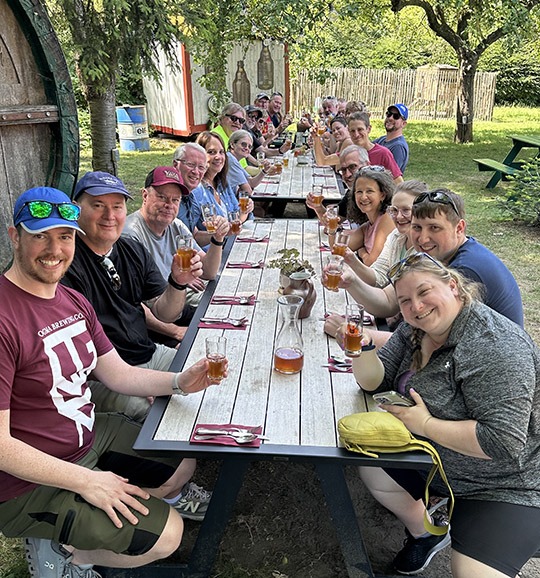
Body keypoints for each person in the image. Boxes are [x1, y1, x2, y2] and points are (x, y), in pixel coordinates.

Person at [0, 187, 222, 578]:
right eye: (40, 235)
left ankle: (73, 529)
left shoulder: (71, 299)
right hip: (24, 479)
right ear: (14, 236)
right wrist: (88, 481)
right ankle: (67, 556)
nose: (55, 248)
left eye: (64, 236)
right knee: (168, 535)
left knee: (180, 464)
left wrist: (180, 382)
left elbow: (117, 373)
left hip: (87, 434)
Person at [350, 254, 540, 577]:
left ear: (453, 286)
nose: (416, 307)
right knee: (369, 464)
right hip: (439, 464)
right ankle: (425, 535)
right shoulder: (416, 329)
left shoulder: (493, 346)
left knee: (470, 573)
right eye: (405, 300)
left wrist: (426, 424)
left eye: (424, 292)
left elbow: (501, 442)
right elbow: (378, 381)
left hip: (505, 486)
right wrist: (362, 349)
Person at [61, 171, 201, 420]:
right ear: (76, 209)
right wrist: (143, 383)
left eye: (117, 206)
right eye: (98, 205)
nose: (109, 216)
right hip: (106, 376)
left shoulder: (131, 248)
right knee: (159, 417)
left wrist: (177, 283)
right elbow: (80, 354)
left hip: (148, 353)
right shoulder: (66, 264)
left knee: (206, 373)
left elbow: (164, 312)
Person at [325, 189, 524, 341]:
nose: (423, 238)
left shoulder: (465, 270)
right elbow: (387, 302)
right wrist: (350, 282)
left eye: (435, 228)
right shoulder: (434, 258)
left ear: (459, 228)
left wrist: (354, 333)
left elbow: (425, 345)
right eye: (417, 227)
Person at [123, 166, 229, 348]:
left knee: (224, 317)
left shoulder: (176, 226)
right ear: (145, 195)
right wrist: (175, 332)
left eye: (175, 200)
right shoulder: (130, 236)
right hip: (152, 323)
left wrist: (217, 239)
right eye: (162, 197)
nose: (168, 205)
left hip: (176, 303)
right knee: (205, 346)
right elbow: (133, 304)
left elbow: (209, 272)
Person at [344, 179, 428, 288]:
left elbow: (393, 296)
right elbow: (379, 276)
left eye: (406, 210)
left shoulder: (427, 247)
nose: (398, 216)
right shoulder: (396, 236)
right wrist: (352, 261)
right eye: (394, 210)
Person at [195, 131, 254, 228]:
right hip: (217, 242)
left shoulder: (223, 184)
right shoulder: (197, 190)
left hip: (235, 237)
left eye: (221, 152)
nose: (218, 157)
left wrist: (245, 210)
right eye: (211, 152)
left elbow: (237, 219)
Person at [343, 166, 396, 265]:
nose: (363, 197)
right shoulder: (367, 226)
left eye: (369, 191)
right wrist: (331, 229)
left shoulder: (387, 219)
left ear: (383, 195)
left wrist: (361, 251)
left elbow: (372, 262)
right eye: (359, 192)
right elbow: (340, 249)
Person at [348, 112, 403, 183]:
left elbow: (399, 182)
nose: (356, 134)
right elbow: (337, 156)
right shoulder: (351, 153)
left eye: (360, 129)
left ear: (368, 129)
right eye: (352, 131)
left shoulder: (382, 153)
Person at [374, 103, 410, 173]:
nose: (390, 118)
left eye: (396, 116)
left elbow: (391, 176)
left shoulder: (398, 147)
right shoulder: (382, 139)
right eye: (389, 114)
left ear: (403, 124)